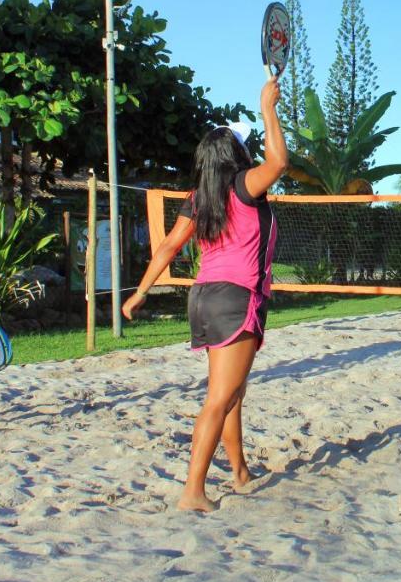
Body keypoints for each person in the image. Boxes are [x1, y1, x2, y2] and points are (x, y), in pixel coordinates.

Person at [123, 82, 287, 513]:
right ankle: (193, 490)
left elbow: (167, 247)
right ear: (235, 155)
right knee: (220, 398)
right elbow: (280, 161)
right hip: (236, 298)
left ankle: (239, 472)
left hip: (203, 298)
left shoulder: (200, 196)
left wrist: (140, 292)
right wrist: (268, 109)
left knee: (231, 393)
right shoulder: (244, 186)